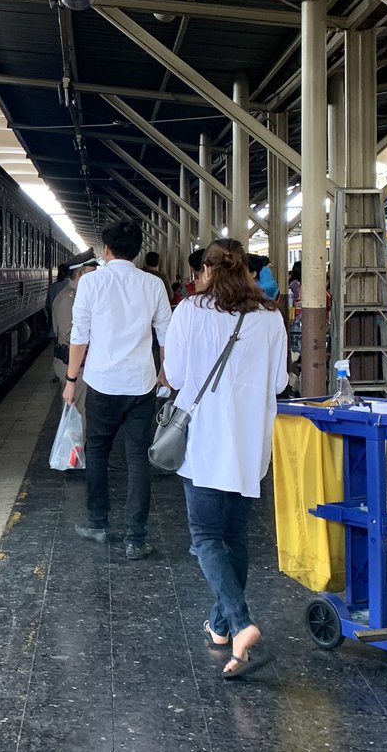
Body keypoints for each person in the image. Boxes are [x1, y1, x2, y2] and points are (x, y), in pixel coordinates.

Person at [163, 239, 289, 679]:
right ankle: (221, 627)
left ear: (207, 272)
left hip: (204, 440)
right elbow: (278, 383)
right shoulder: (271, 316)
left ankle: (239, 622)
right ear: (249, 273)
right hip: (250, 441)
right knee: (234, 537)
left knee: (205, 537)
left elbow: (175, 377)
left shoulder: (189, 311)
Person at [64, 219, 171, 560]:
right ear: (138, 250)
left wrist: (70, 381)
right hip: (142, 384)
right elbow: (166, 335)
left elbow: (79, 335)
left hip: (101, 382)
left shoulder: (91, 283)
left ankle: (98, 523)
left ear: (106, 250)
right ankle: (135, 539)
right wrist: (164, 372)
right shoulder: (153, 284)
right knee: (138, 459)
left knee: (97, 452)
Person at [51, 248, 99, 429]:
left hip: (81, 365)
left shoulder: (80, 295)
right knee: (77, 420)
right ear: (79, 273)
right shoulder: (67, 299)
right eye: (91, 273)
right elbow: (70, 336)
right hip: (74, 367)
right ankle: (73, 457)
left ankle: (77, 455)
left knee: (81, 416)